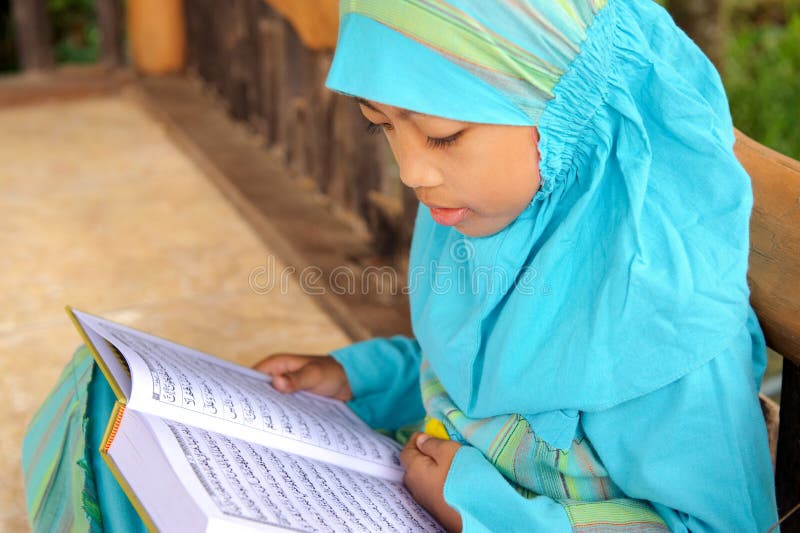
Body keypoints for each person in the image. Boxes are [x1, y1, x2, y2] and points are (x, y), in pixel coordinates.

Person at [253, 0, 779, 531]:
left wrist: (489, 514)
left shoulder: (664, 332)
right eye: (380, 125)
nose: (410, 171)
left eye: (442, 134)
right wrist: (358, 381)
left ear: (563, 111)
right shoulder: (473, 218)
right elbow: (479, 377)